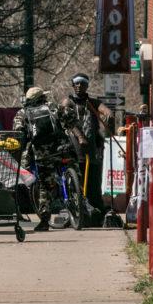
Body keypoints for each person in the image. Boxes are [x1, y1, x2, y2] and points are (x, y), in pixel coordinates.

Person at [12, 86, 80, 231]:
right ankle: (80, 202)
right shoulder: (53, 107)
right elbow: (72, 117)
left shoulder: (22, 113)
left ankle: (44, 220)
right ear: (43, 97)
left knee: (44, 186)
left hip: (42, 154)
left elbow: (19, 133)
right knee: (74, 174)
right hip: (62, 148)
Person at [60, 73, 113, 216]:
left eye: (82, 83)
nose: (79, 86)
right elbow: (67, 121)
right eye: (76, 83)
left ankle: (96, 205)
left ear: (87, 86)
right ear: (73, 85)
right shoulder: (68, 102)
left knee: (94, 178)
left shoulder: (93, 102)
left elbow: (105, 110)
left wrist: (108, 114)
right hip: (73, 146)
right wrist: (80, 136)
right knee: (78, 177)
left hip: (92, 146)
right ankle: (78, 205)